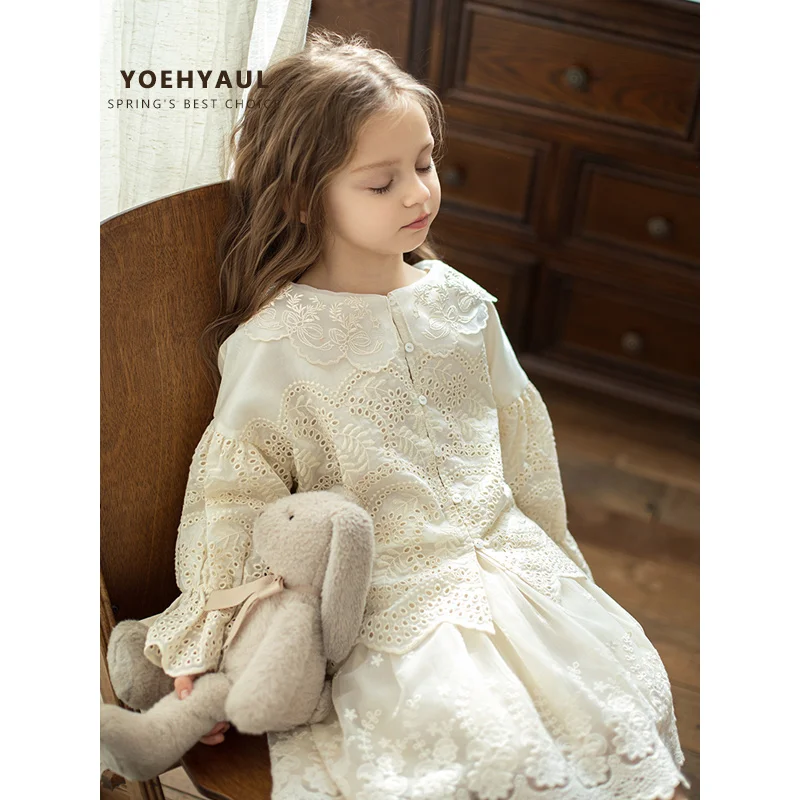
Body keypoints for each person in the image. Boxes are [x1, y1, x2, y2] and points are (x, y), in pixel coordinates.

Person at [141, 29, 691, 800]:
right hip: (385, 603)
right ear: (303, 196)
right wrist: (211, 641)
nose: (418, 194)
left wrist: (562, 567)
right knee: (485, 750)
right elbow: (230, 502)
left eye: (426, 165)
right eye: (382, 182)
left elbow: (526, 455)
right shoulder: (274, 346)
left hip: (510, 570)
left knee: (618, 701)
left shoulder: (463, 307)